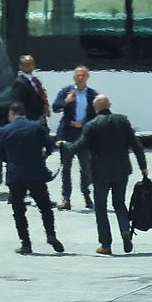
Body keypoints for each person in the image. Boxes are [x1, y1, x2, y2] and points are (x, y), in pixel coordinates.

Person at [58, 94, 147, 255]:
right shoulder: (122, 121)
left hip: (100, 174)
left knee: (100, 207)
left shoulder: (92, 125)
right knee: (119, 203)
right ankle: (125, 230)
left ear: (95, 108)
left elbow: (78, 147)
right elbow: (136, 145)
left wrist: (64, 144)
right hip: (122, 170)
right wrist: (143, 167)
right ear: (109, 105)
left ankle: (106, 245)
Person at [0, 102, 65, 255]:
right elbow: (49, 144)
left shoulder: (4, 130)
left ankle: (26, 244)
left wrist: (12, 162)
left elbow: (0, 153)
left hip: (15, 176)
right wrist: (42, 156)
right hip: (36, 174)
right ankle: (51, 235)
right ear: (24, 113)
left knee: (19, 211)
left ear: (11, 115)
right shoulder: (36, 126)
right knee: (45, 207)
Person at [52, 65, 98, 211]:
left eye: (83, 75)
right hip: (67, 134)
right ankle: (66, 199)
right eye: (78, 75)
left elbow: (97, 115)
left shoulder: (92, 95)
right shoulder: (67, 91)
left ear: (87, 77)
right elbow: (55, 107)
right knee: (66, 168)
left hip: (83, 135)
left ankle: (86, 195)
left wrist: (83, 124)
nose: (80, 78)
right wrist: (66, 101)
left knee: (86, 167)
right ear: (74, 77)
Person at [10, 55, 50, 123]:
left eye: (31, 64)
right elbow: (19, 104)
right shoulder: (19, 83)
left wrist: (45, 111)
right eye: (26, 65)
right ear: (20, 66)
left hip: (41, 118)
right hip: (30, 120)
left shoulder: (35, 80)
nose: (30, 67)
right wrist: (34, 119)